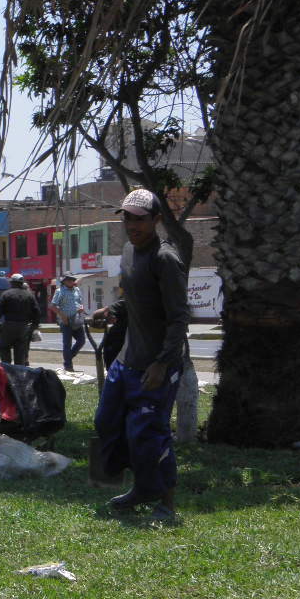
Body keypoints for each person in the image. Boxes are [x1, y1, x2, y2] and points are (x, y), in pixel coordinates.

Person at [91, 189, 188, 525]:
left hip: (157, 363)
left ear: (156, 220)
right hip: (126, 359)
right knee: (108, 422)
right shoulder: (129, 251)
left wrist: (162, 363)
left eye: (140, 218)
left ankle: (166, 503)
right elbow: (135, 299)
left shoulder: (165, 259)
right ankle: (142, 487)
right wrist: (111, 309)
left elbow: (178, 317)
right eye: (127, 217)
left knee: (150, 432)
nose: (132, 224)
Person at [0, 274, 40, 366]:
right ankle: (19, 372)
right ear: (21, 283)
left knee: (3, 347)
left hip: (9, 326)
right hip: (24, 327)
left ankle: (7, 368)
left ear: (12, 283)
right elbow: (37, 313)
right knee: (20, 351)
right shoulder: (29, 295)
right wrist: (33, 327)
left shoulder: (6, 294)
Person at [51, 274, 87, 371]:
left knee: (81, 341)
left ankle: (68, 358)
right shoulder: (59, 291)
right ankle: (68, 366)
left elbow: (79, 302)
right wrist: (62, 316)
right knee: (67, 344)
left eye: (72, 280)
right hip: (65, 321)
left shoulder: (77, 290)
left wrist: (81, 308)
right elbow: (53, 306)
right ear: (64, 281)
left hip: (76, 319)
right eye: (69, 280)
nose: (71, 281)